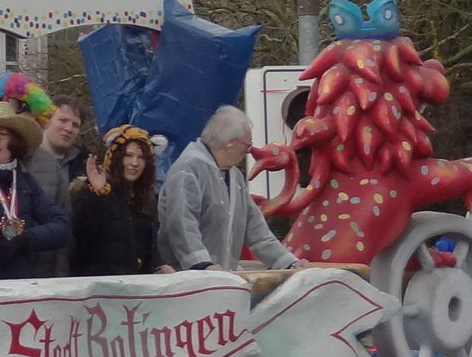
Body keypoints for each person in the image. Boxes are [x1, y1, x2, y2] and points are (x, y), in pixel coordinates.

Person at [158, 106, 307, 272]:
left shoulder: (234, 175)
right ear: (230, 143)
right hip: (186, 278)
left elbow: (256, 229)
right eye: (248, 145)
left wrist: (288, 261)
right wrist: (201, 264)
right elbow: (181, 223)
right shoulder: (188, 168)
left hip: (222, 277)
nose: (249, 151)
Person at [0, 102, 69, 281]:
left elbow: (61, 226)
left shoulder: (26, 183)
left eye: (3, 134)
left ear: (15, 141)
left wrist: (27, 238)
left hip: (19, 284)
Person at [70, 125, 174, 277]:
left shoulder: (147, 197)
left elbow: (149, 244)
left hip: (137, 285)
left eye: (141, 157)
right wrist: (98, 195)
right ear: (116, 157)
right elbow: (79, 236)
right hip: (100, 284)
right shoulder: (92, 191)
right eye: (128, 155)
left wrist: (158, 265)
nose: (134, 163)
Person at [27, 95, 88, 277]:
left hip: (71, 265)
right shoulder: (25, 158)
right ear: (46, 120)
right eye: (62, 120)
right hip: (30, 263)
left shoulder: (86, 163)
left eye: (75, 125)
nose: (68, 128)